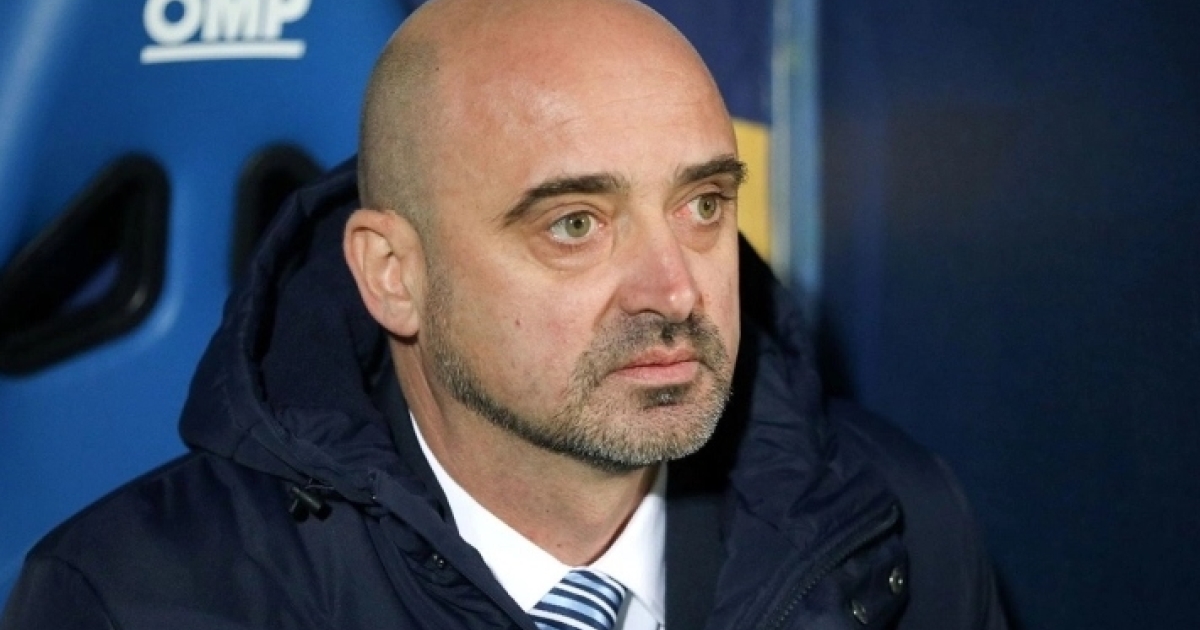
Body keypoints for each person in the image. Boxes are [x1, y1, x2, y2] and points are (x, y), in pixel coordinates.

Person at [1, 0, 1008, 628]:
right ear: (393, 275)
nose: (675, 291)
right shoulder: (138, 599)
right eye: (575, 224)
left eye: (704, 205)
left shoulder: (893, 524)